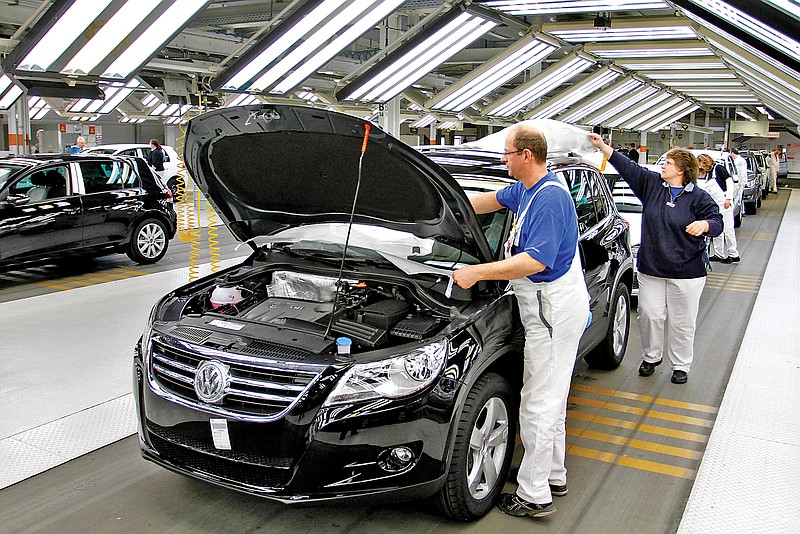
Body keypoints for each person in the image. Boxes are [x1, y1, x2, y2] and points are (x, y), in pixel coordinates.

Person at [452, 124, 589, 519]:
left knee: (537, 401)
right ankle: (552, 474)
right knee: (551, 393)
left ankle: (533, 494)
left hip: (552, 308)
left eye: (507, 154)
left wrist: (477, 272)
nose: (503, 160)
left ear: (527, 156)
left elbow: (535, 261)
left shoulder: (549, 200)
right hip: (549, 305)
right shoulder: (528, 189)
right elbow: (488, 200)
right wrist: (441, 204)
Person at [588, 133, 722, 385]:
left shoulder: (699, 198)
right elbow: (628, 167)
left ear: (682, 170)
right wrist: (604, 147)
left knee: (683, 322)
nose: (663, 166)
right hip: (652, 269)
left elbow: (718, 222)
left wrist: (704, 224)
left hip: (688, 272)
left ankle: (681, 365)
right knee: (649, 315)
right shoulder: (652, 186)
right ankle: (651, 357)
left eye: (668, 163)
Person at [697, 154, 739, 263]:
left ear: (705, 162)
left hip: (724, 201)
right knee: (717, 229)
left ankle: (733, 254)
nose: (700, 167)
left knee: (728, 228)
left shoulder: (719, 169)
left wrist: (728, 198)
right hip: (715, 204)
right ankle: (718, 253)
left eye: (701, 164)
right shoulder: (708, 174)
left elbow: (729, 182)